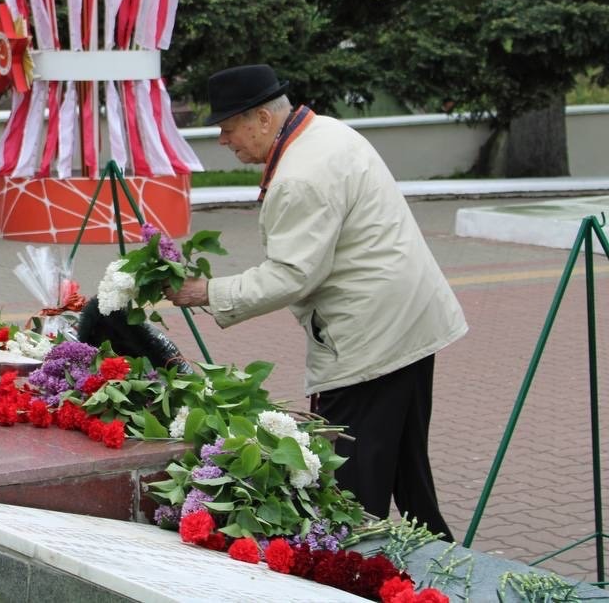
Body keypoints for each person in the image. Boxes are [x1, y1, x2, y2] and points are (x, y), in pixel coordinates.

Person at [166, 64, 467, 539]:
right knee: (410, 481)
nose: (224, 140)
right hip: (408, 323)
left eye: (228, 128)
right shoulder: (324, 132)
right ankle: (440, 570)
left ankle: (359, 574)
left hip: (370, 344)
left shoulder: (300, 175)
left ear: (263, 119)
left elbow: (291, 275)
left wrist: (203, 291)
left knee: (346, 491)